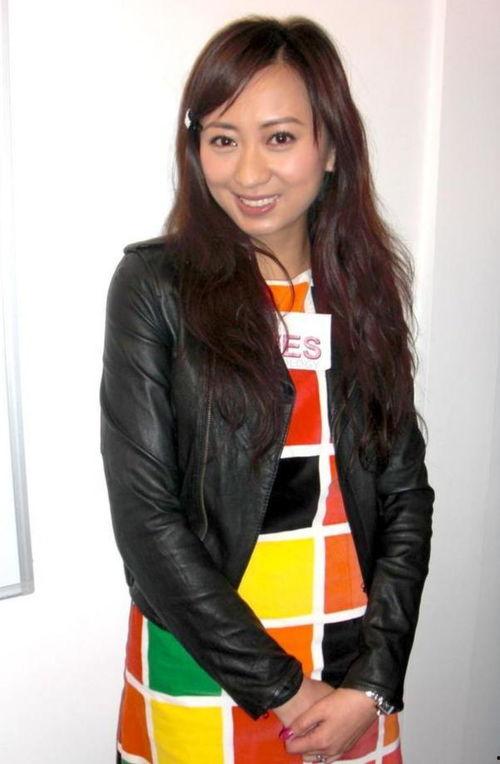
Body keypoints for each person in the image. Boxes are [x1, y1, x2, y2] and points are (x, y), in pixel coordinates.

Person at [100, 14, 434, 764]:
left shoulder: (363, 289)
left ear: (332, 146)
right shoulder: (155, 288)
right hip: (203, 659)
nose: (248, 173)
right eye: (223, 140)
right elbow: (146, 520)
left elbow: (405, 495)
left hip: (349, 670)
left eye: (279, 137)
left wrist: (375, 679)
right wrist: (283, 690)